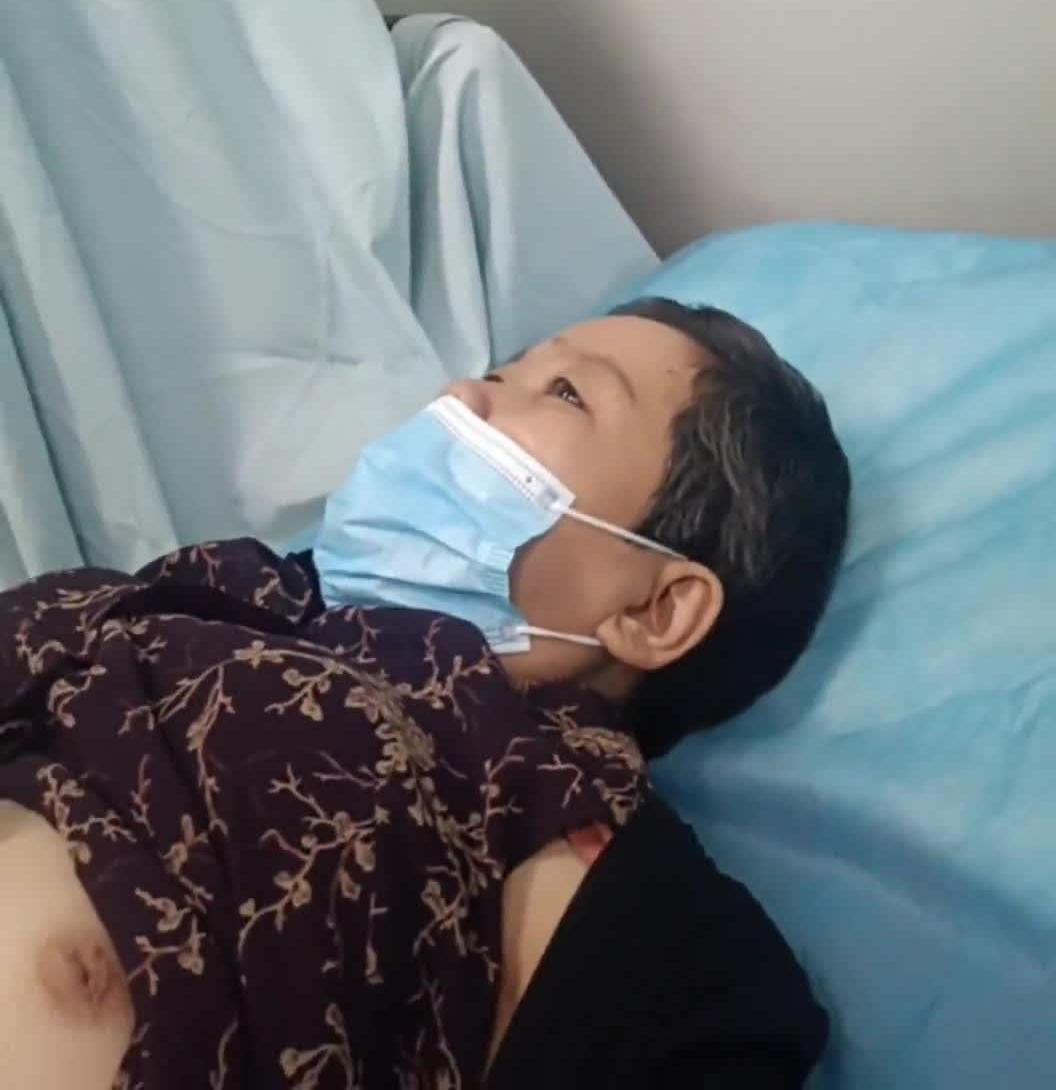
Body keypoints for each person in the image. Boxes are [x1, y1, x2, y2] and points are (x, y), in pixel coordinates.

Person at [0, 297, 850, 1089]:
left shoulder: (675, 966)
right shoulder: (214, 595)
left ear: (655, 610)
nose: (460, 397)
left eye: (565, 392)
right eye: (500, 372)